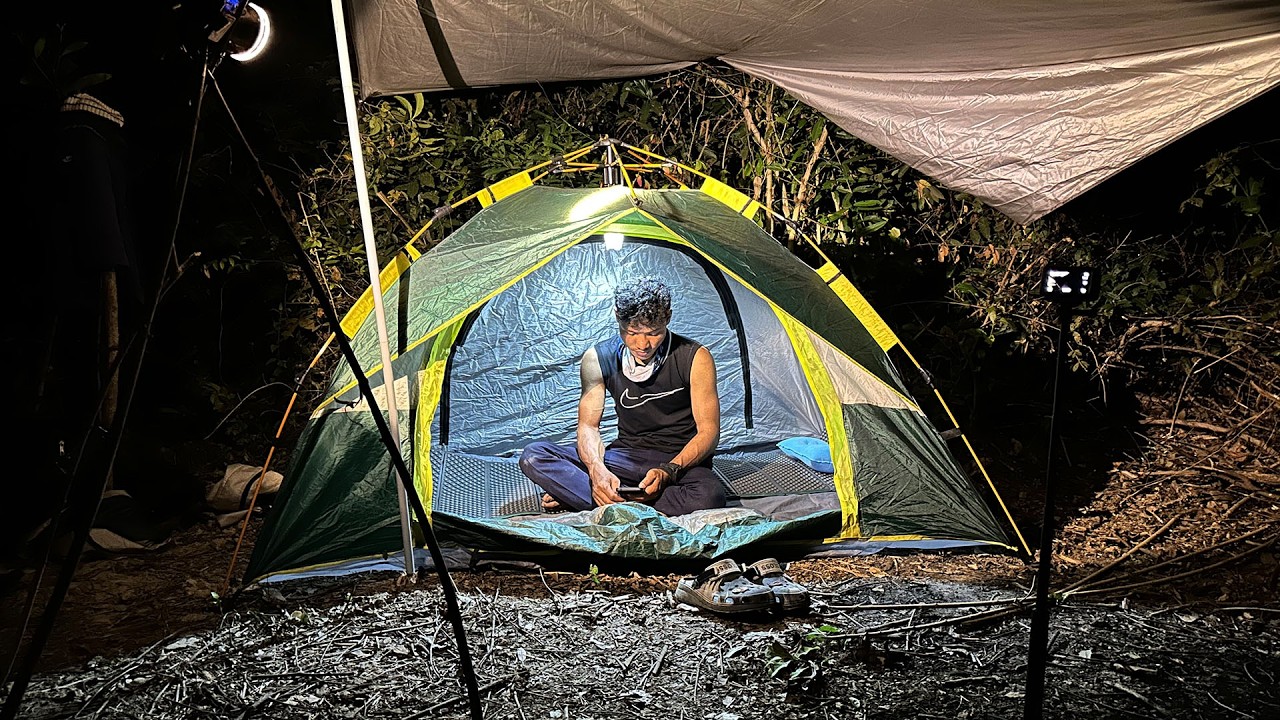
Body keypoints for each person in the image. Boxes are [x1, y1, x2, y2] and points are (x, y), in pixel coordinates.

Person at [519, 277, 726, 516]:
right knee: (534, 456)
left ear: (668, 318)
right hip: (625, 456)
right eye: (632, 332)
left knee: (709, 496)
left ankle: (593, 499)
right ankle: (619, 496)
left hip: (679, 462)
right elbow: (588, 427)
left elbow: (709, 432)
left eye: (654, 333)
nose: (643, 344)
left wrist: (669, 471)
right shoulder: (598, 358)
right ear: (618, 317)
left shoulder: (695, 357)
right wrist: (597, 472)